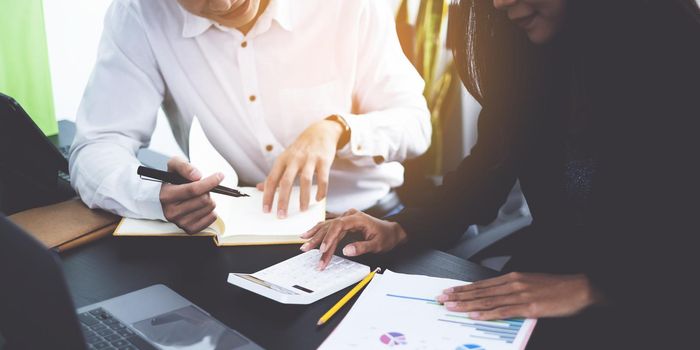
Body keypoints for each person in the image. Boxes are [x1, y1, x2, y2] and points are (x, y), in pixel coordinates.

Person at [303, 0, 700, 347]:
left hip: (655, 295)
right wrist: (401, 227)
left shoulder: (680, 54)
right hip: (542, 279)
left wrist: (595, 287)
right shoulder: (534, 57)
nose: (500, 2)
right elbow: (486, 170)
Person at [70, 0, 431, 233]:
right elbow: (99, 143)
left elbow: (415, 124)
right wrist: (150, 196)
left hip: (367, 221)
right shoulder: (141, 14)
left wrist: (338, 129)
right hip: (239, 230)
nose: (225, 3)